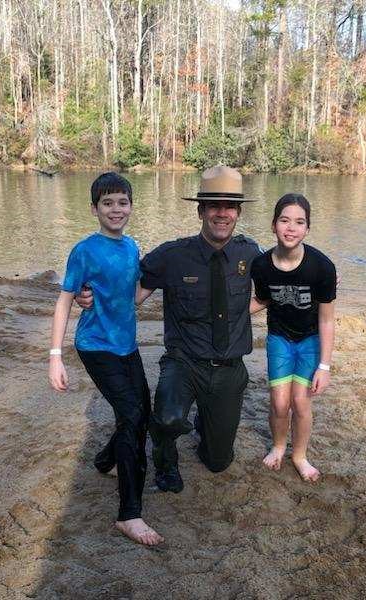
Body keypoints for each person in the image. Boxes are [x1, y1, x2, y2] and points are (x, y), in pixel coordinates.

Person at [77, 165, 262, 493]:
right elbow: (129, 294)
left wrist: (323, 278)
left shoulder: (251, 253)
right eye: (214, 206)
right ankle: (165, 459)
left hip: (229, 367)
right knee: (166, 418)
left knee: (218, 462)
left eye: (229, 206)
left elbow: (281, 282)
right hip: (184, 362)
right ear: (200, 210)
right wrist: (88, 293)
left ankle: (207, 421)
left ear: (238, 212)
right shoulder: (171, 256)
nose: (222, 213)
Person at [48, 172, 163, 546]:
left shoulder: (131, 247)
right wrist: (55, 356)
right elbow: (65, 300)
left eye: (122, 202)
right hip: (95, 345)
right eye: (108, 202)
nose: (116, 209)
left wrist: (163, 278)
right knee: (132, 417)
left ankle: (105, 461)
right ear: (94, 208)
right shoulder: (84, 251)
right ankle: (129, 515)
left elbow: (129, 297)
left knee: (140, 411)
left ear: (131, 206)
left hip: (126, 346)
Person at [249, 194, 336, 482]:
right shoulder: (260, 265)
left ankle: (299, 455)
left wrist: (324, 366)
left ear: (307, 229)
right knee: (278, 402)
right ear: (273, 225)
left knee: (300, 402)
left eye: (299, 222)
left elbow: (326, 319)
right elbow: (262, 299)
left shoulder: (322, 267)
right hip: (279, 339)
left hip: (310, 341)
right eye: (284, 220)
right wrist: (227, 315)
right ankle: (277, 446)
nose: (291, 228)